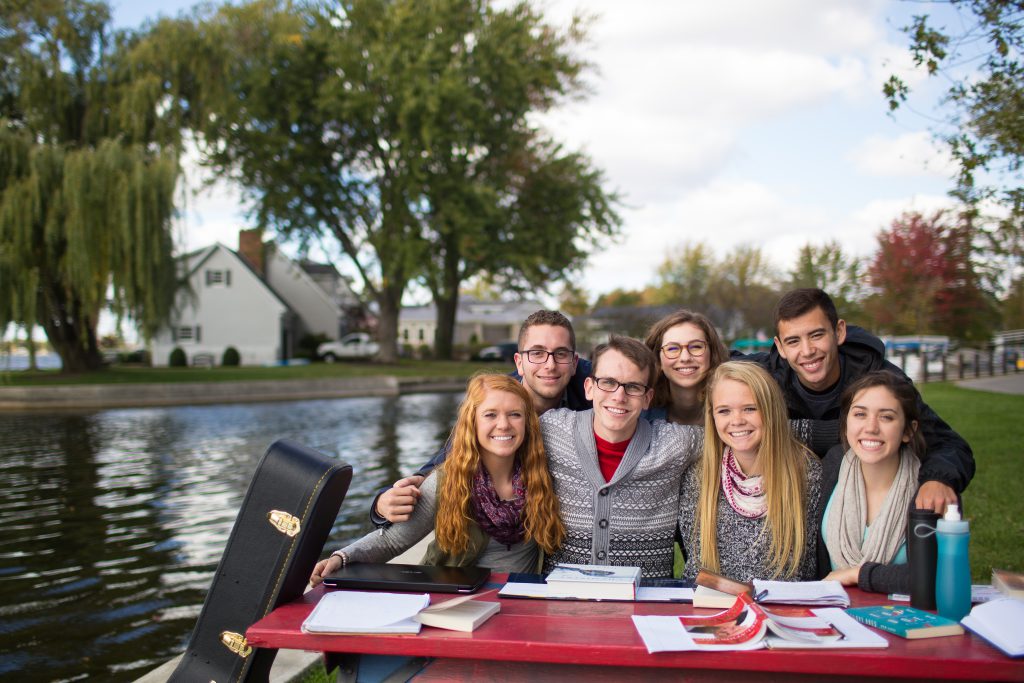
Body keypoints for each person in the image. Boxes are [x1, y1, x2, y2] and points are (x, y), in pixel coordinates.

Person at [310, 373, 564, 584]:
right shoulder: (448, 481)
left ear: (527, 422)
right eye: (490, 415)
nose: (503, 425)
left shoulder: (541, 476)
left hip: (523, 602)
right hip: (462, 600)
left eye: (514, 414)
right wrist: (342, 557)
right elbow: (391, 541)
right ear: (472, 422)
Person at [740, 288, 973, 514]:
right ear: (780, 346)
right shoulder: (768, 376)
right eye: (793, 341)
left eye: (816, 335)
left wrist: (938, 479)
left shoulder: (882, 380)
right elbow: (716, 362)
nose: (807, 350)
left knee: (839, 458)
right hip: (788, 500)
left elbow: (947, 443)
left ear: (839, 332)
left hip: (865, 498)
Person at [370, 310, 592, 526]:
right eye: (537, 353)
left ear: (574, 362)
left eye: (560, 353)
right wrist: (382, 503)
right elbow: (446, 458)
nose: (550, 365)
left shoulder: (598, 388)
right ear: (519, 362)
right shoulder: (493, 401)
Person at [540, 335, 705, 577]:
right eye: (608, 382)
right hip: (564, 598)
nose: (619, 396)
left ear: (647, 398)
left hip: (647, 602)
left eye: (633, 387)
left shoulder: (675, 444)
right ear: (589, 388)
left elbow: (732, 435)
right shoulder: (552, 430)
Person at [678, 361, 821, 582]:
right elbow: (696, 569)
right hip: (713, 608)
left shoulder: (806, 473)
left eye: (750, 408)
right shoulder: (700, 478)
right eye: (724, 411)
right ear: (712, 416)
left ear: (771, 410)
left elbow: (808, 567)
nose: (737, 420)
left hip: (782, 610)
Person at [817, 372, 934, 594]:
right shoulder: (832, 466)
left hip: (903, 620)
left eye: (886, 417)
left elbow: (934, 576)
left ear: (908, 430)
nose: (871, 427)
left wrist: (858, 574)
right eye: (860, 414)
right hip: (832, 615)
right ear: (846, 423)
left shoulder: (930, 489)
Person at [643, 309, 729, 425]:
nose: (685, 358)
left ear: (712, 353)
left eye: (696, 347)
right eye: (672, 348)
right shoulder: (640, 418)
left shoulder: (735, 411)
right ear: (657, 360)